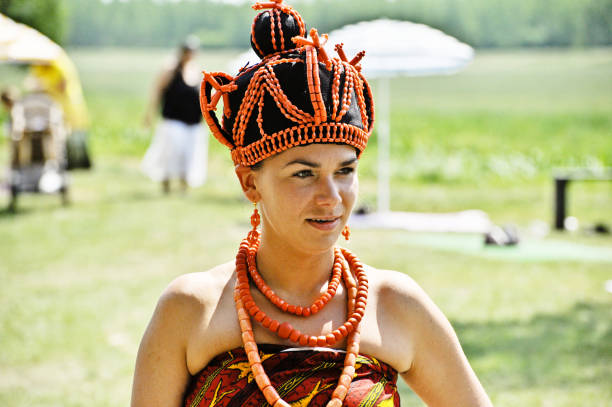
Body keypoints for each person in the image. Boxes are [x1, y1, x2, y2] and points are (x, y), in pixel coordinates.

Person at [131, 1, 493, 406]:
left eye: (345, 171)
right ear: (250, 183)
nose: (332, 196)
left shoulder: (395, 305)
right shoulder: (190, 310)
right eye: (303, 173)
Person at [141, 36, 208, 194]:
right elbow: (157, 91)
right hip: (173, 120)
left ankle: (184, 185)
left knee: (188, 155)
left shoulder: (196, 71)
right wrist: (149, 114)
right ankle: (166, 184)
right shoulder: (170, 69)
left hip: (192, 122)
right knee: (170, 154)